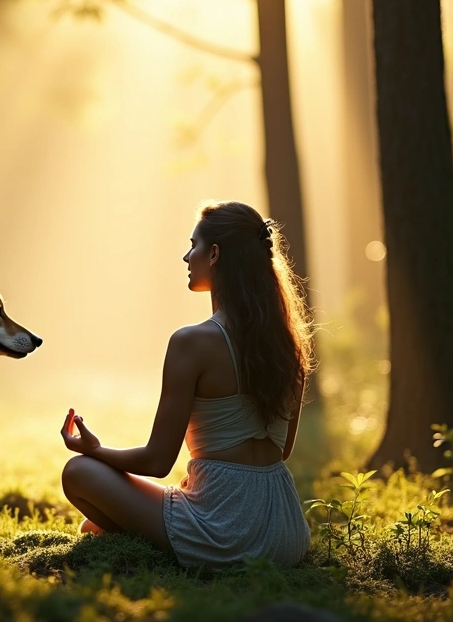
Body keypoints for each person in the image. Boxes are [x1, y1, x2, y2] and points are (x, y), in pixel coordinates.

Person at [59, 200, 314, 568]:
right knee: (91, 525)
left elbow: (158, 460)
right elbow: (282, 452)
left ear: (213, 254)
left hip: (226, 531)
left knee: (79, 473)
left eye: (192, 245)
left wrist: (95, 450)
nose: (185, 256)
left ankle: (178, 539)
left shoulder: (192, 342)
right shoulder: (289, 346)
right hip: (286, 532)